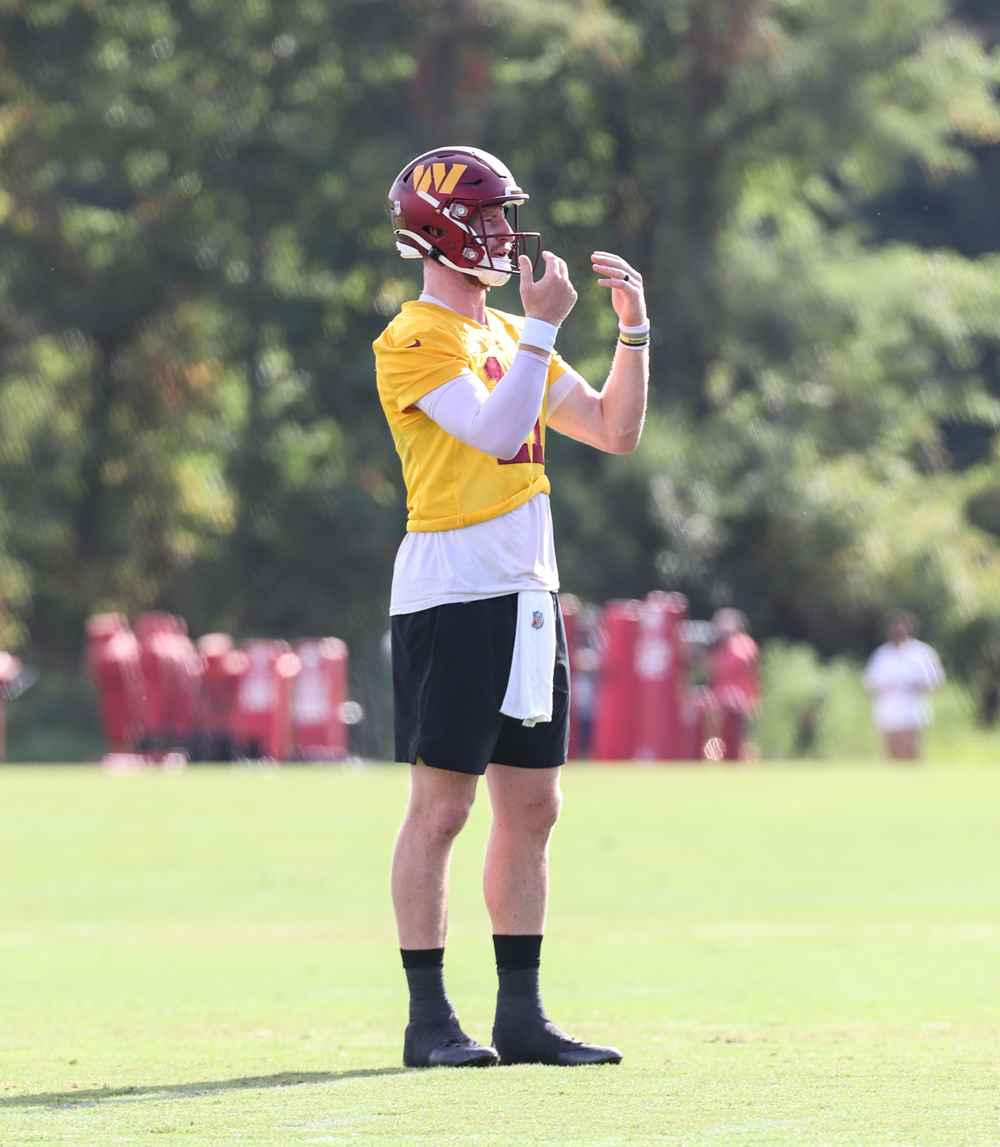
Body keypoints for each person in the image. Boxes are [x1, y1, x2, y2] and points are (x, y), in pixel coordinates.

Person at [373, 146, 648, 1068]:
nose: (500, 233)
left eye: (501, 215)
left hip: (529, 590)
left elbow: (615, 430)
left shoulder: (504, 333)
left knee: (533, 805)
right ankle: (427, 1020)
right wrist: (537, 333)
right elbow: (494, 434)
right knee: (442, 807)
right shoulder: (417, 335)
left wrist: (632, 332)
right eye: (485, 217)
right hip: (454, 588)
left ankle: (521, 1016)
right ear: (438, 229)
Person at [863, 610, 945, 760]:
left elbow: (935, 682)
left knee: (912, 753)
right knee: (892, 755)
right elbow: (870, 684)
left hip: (912, 714)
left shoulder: (921, 653)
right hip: (888, 715)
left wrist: (914, 687)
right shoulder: (881, 655)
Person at [709, 608, 760, 761]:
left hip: (741, 701)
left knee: (739, 740)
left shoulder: (743, 644)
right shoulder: (718, 647)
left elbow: (743, 664)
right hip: (718, 702)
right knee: (716, 739)